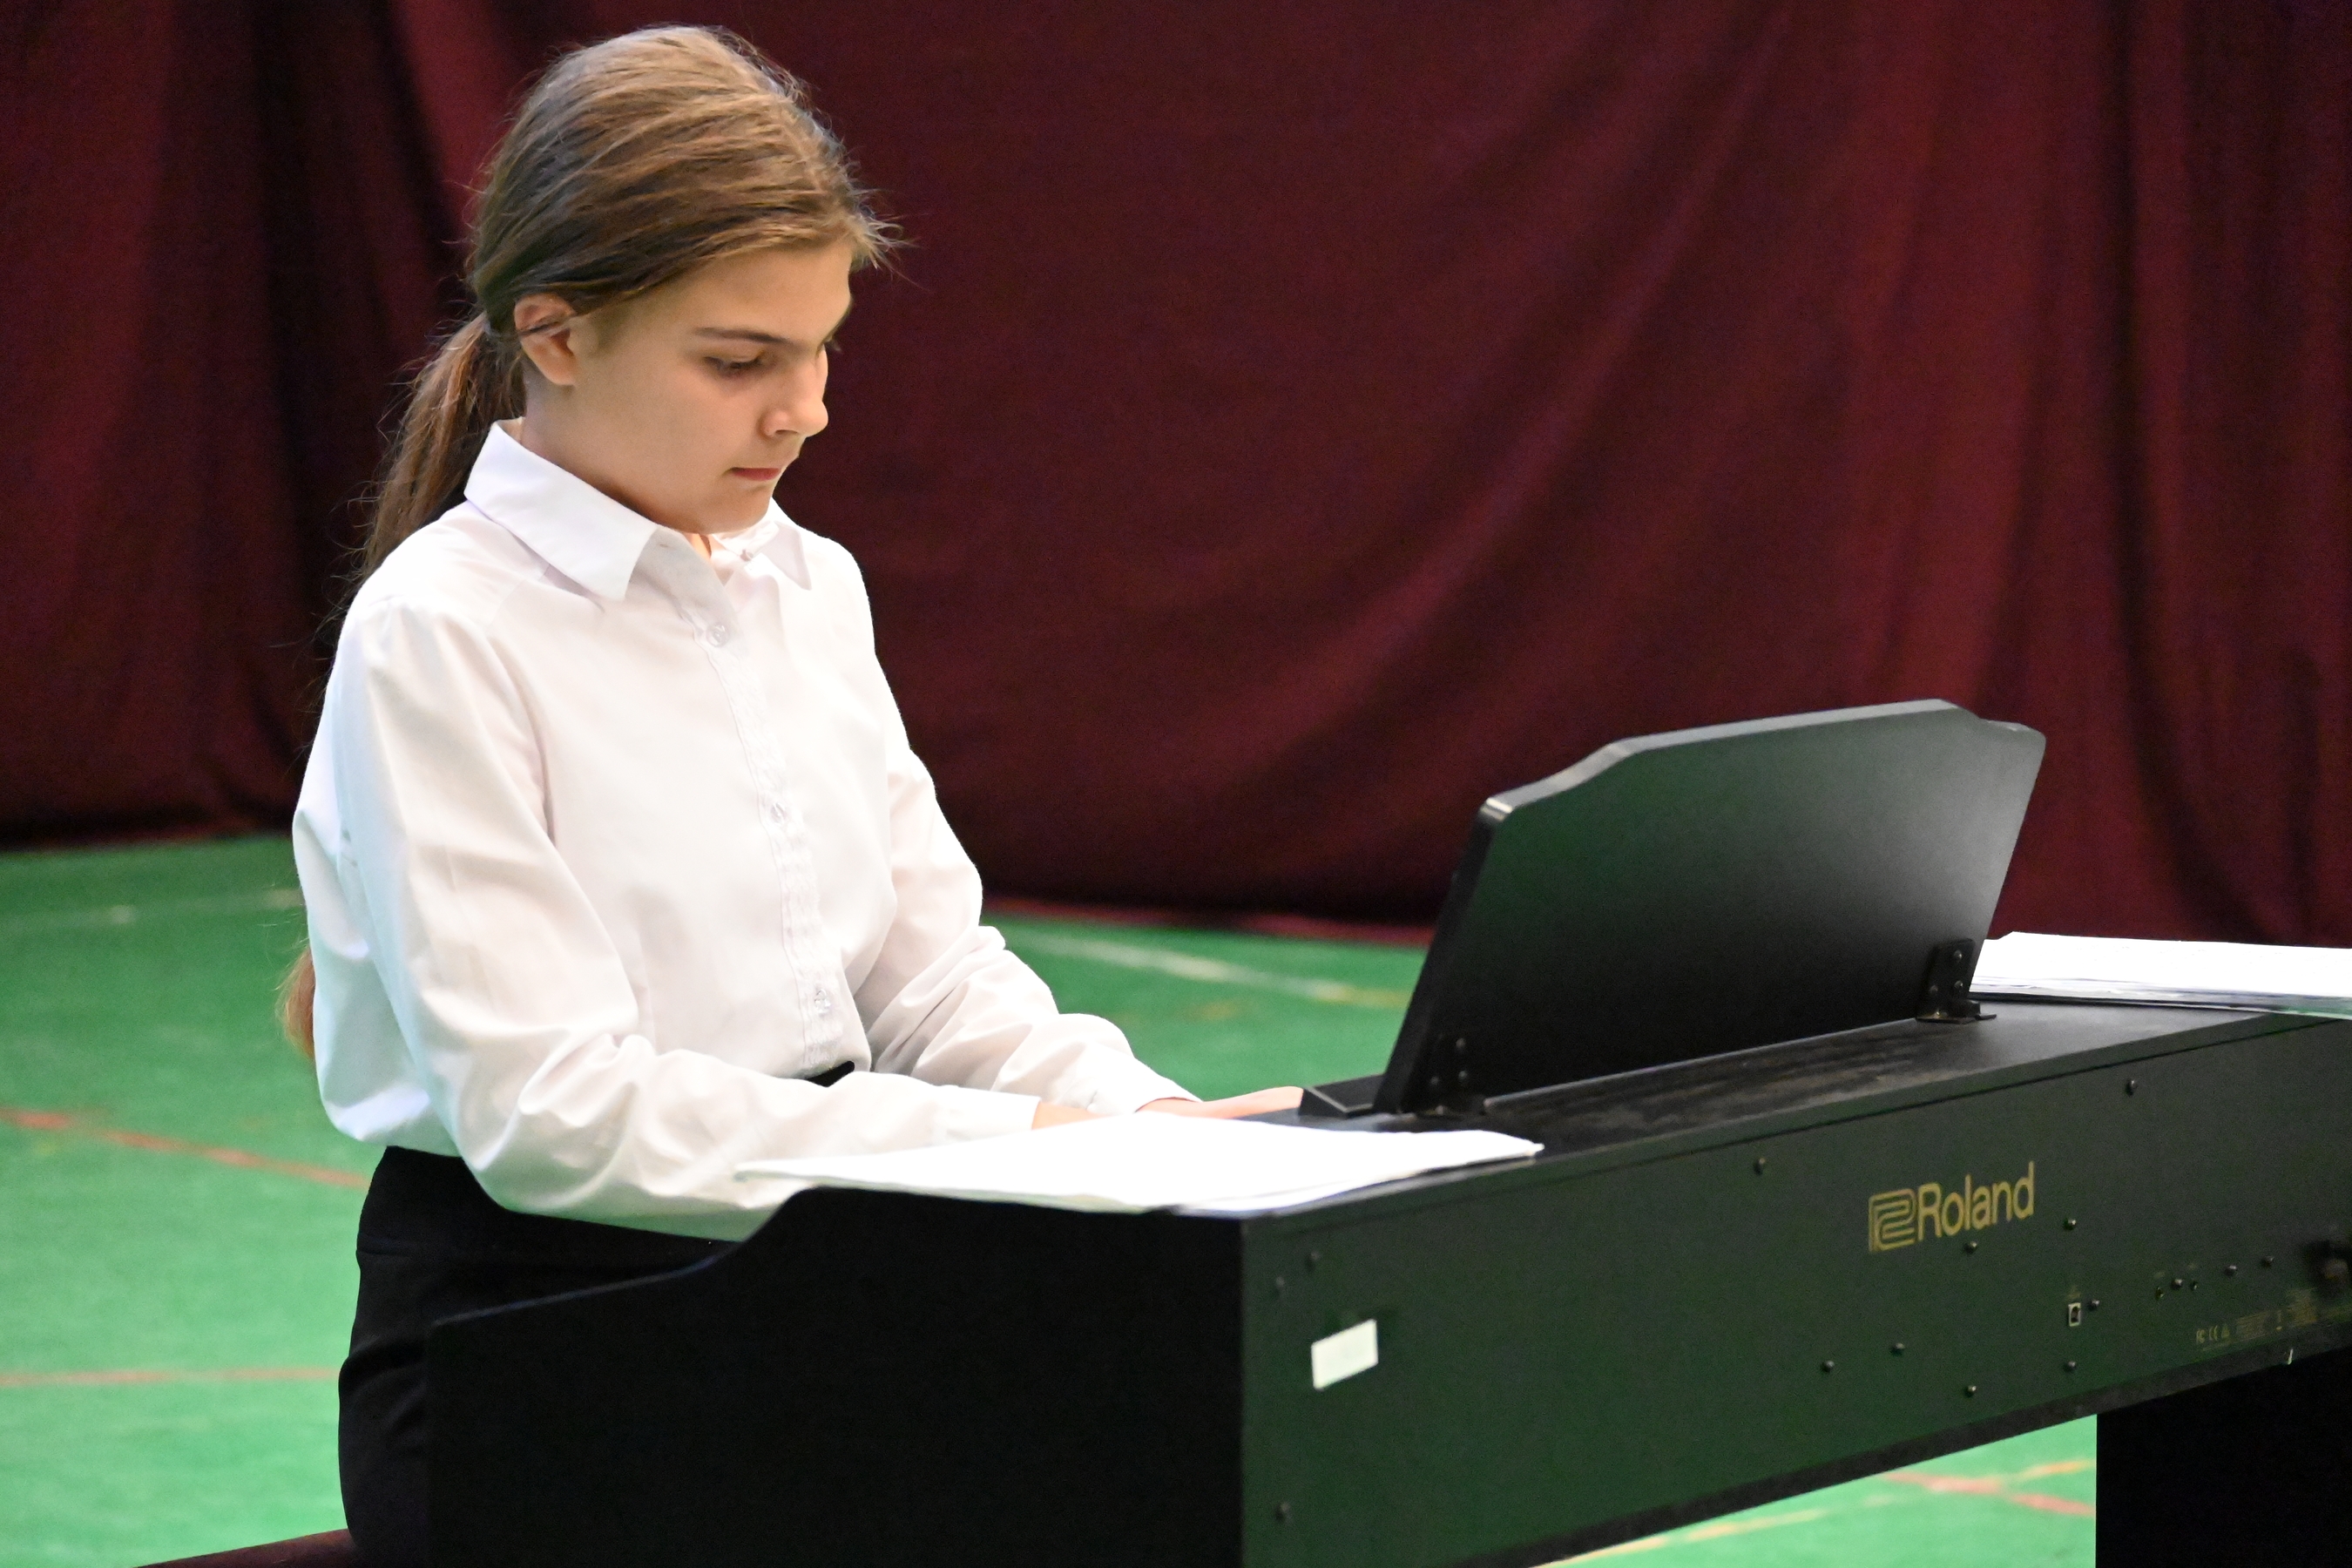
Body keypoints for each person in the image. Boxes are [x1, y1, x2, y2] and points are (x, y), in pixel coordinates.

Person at [283, 26, 1298, 1567]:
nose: (805, 410)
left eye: (821, 350)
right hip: (534, 1343)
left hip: (821, 1286)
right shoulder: (441, 629)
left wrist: (1144, 1122)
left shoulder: (808, 583)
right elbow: (554, 1117)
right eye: (739, 361)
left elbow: (926, 979)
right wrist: (1017, 1153)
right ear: (554, 334)